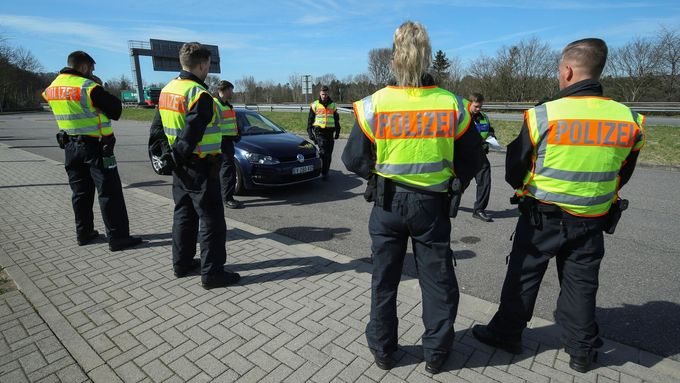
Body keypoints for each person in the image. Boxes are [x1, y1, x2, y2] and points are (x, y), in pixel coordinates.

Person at [471, 38, 645, 373]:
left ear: (567, 70)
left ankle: (506, 335)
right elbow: (623, 171)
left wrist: (527, 187)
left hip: (542, 217)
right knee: (581, 284)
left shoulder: (543, 115)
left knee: (523, 276)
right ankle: (581, 352)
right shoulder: (630, 119)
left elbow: (514, 167)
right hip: (592, 219)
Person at [342, 21, 484, 374]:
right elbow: (473, 159)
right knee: (437, 282)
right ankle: (436, 354)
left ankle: (384, 351)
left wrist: (376, 175)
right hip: (432, 207)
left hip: (387, 204)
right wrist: (454, 183)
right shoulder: (452, 104)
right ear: (428, 56)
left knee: (384, 281)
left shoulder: (374, 104)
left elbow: (352, 158)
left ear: (394, 59)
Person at [157, 42, 240, 289]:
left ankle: (181, 264)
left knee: (183, 214)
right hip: (200, 167)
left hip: (180, 168)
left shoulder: (167, 90)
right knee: (212, 221)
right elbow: (191, 134)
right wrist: (178, 156)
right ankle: (212, 273)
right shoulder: (199, 94)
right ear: (203, 64)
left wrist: (167, 158)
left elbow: (158, 130)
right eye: (208, 65)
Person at [42, 51, 143, 252]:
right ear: (84, 67)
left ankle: (84, 233)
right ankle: (118, 238)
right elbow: (116, 110)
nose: (93, 72)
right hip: (96, 148)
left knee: (80, 193)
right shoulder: (89, 87)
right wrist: (100, 87)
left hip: (70, 146)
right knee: (109, 193)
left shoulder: (52, 88)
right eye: (92, 69)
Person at [466, 93, 495, 222]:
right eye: (476, 106)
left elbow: (490, 129)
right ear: (469, 103)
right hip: (463, 155)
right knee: (457, 183)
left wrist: (491, 136)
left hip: (479, 154)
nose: (479, 109)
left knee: (485, 179)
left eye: (480, 106)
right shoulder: (462, 117)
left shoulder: (483, 117)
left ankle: (479, 209)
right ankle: (444, 205)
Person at [214, 80, 244, 209]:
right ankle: (227, 198)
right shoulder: (215, 105)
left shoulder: (226, 104)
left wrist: (236, 132)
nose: (232, 92)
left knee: (228, 169)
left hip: (228, 141)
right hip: (221, 142)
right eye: (231, 90)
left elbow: (230, 122)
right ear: (225, 90)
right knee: (227, 171)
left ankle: (226, 196)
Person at [307, 85, 340, 180]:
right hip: (319, 132)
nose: (324, 96)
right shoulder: (315, 105)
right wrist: (310, 133)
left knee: (329, 154)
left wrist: (338, 131)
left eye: (325, 94)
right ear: (320, 94)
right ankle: (322, 172)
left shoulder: (333, 105)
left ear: (328, 93)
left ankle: (325, 172)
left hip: (330, 132)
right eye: (322, 94)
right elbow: (310, 121)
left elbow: (336, 120)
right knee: (323, 152)